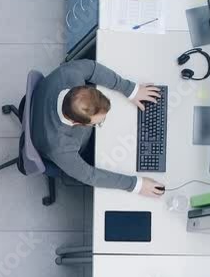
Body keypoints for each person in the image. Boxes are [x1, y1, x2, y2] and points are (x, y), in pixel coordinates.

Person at [32, 59, 165, 197]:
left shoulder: (69, 73)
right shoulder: (59, 146)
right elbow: (89, 176)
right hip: (64, 155)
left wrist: (131, 90)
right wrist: (136, 185)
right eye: (97, 123)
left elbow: (92, 68)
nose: (102, 122)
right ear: (78, 124)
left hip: (41, 104)